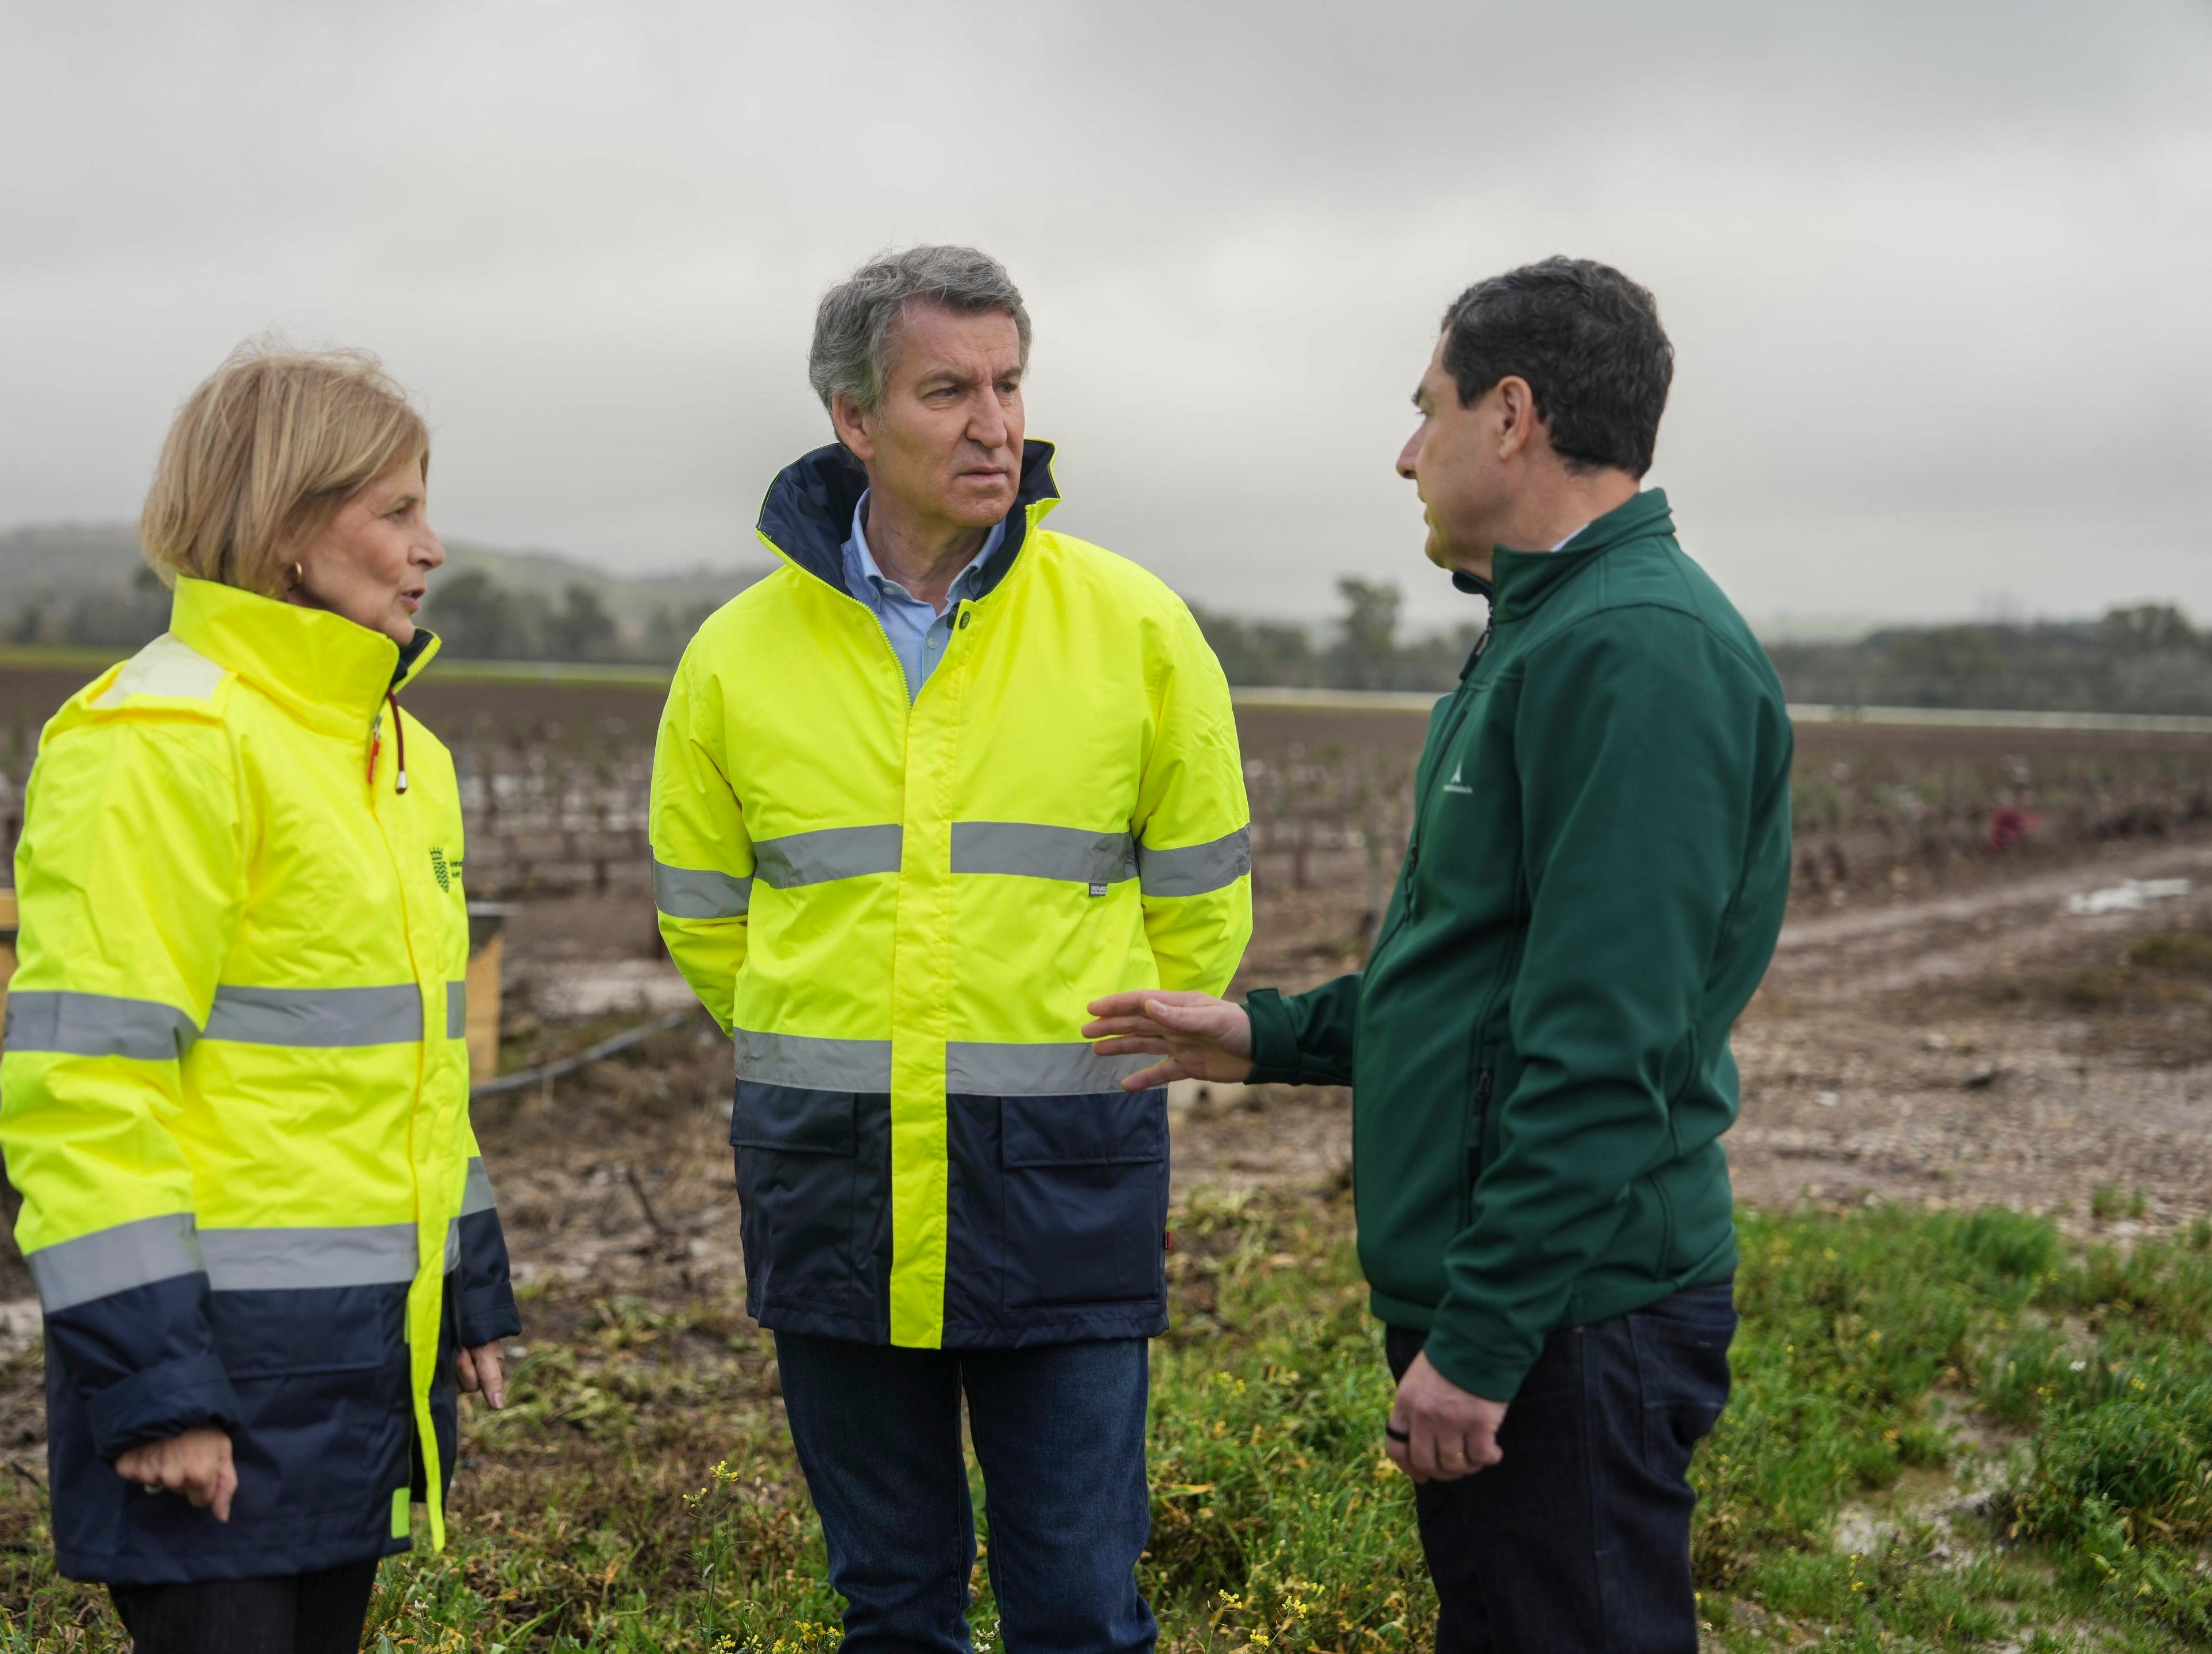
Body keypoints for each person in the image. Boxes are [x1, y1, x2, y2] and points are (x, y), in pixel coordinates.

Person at [1086, 257, 1792, 1653]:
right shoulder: (1539, 633)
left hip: (1570, 1319)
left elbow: (1605, 1047)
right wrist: (1263, 1036)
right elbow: (1477, 983)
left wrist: (1483, 1343)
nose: (1407, 453)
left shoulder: (1633, 653)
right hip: (1522, 1302)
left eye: (1429, 411)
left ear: (1512, 415)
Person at [648, 245, 1252, 1649]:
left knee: (1081, 1609)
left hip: (1064, 1182)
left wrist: (1098, 1059)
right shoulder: (736, 656)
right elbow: (702, 915)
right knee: (893, 1610)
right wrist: (834, 1040)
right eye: (948, 391)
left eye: (1010, 384)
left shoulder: (1137, 627)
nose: (997, 424)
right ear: (854, 420)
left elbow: (1203, 902)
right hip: (834, 1178)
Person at [0, 343, 522, 1654]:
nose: (431, 546)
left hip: (356, 1367)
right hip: (212, 1378)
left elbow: (414, 1067)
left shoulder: (399, 751)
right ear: (287, 529)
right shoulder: (159, 743)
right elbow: (85, 1087)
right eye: (395, 510)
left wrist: (463, 1285)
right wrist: (158, 1387)